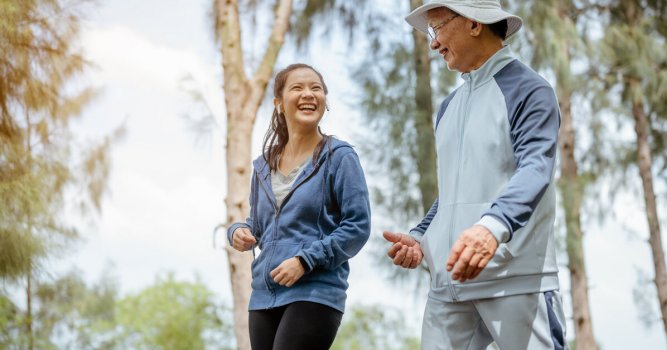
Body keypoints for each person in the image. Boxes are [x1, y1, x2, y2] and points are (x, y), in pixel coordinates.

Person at [383, 1, 567, 349]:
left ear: (474, 24)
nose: (433, 43)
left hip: (517, 281)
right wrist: (422, 237)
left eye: (437, 28)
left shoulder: (530, 90)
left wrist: (491, 228)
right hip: (447, 286)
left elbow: (536, 169)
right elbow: (453, 191)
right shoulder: (448, 107)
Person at [227, 63, 371, 350]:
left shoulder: (339, 157)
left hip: (315, 292)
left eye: (316, 88)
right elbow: (258, 223)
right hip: (264, 294)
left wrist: (305, 260)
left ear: (325, 101)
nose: (309, 94)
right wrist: (238, 230)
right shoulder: (264, 166)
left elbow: (357, 226)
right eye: (298, 88)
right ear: (279, 104)